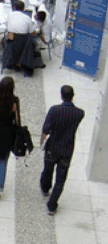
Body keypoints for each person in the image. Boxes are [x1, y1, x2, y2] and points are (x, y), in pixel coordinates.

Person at [40, 85, 85, 216]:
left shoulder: (54, 110)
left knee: (47, 170)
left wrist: (42, 141)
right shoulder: (79, 113)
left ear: (61, 96)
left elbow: (46, 129)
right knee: (61, 179)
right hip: (67, 149)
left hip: (52, 147)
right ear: (73, 96)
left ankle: (45, 188)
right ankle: (52, 205)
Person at [2, 0, 37, 76]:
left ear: (14, 7)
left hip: (11, 37)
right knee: (30, 40)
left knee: (11, 38)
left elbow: (7, 26)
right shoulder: (27, 18)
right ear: (23, 8)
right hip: (22, 39)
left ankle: (10, 59)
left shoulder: (9, 15)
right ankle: (23, 62)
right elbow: (31, 32)